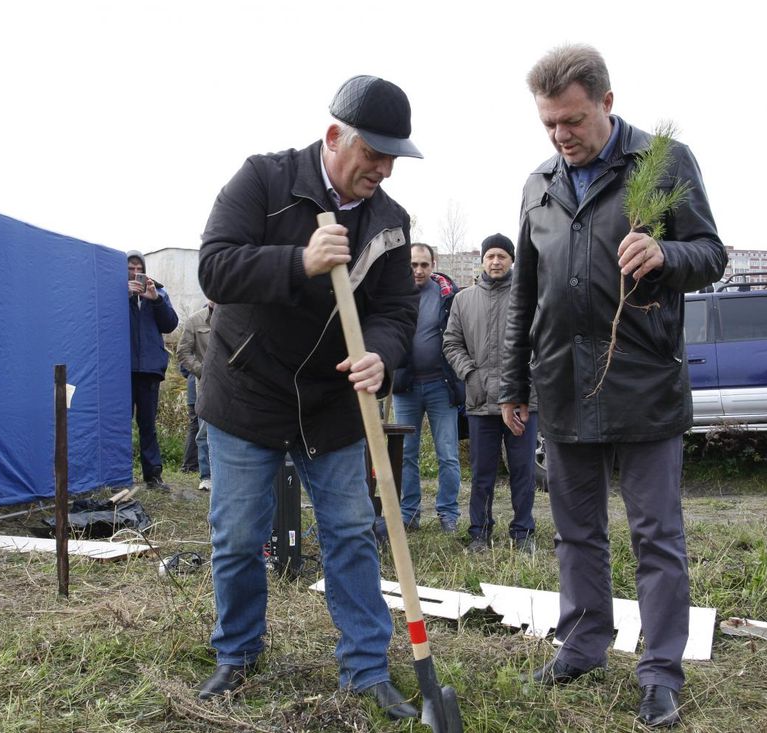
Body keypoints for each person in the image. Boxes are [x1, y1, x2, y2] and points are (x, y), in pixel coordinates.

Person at [498, 44, 727, 728]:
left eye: (572, 120)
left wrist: (665, 253)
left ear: (606, 102)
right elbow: (525, 295)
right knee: (576, 532)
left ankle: (660, 672)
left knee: (655, 535)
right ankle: (582, 644)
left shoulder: (660, 164)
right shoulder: (538, 183)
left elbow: (712, 254)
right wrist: (514, 379)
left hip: (643, 381)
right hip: (562, 383)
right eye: (549, 124)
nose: (561, 136)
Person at [194, 74, 422, 720]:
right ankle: (236, 654)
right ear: (333, 137)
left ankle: (366, 667)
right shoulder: (264, 182)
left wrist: (381, 350)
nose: (381, 169)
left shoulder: (390, 222)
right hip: (248, 390)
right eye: (372, 154)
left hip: (332, 400)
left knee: (351, 530)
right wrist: (297, 260)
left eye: (391, 158)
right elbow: (215, 265)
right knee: (238, 534)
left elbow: (399, 311)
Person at [443, 233, 538, 553]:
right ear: (482, 260)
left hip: (523, 401)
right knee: (482, 473)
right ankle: (479, 532)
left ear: (512, 260)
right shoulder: (463, 300)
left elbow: (543, 343)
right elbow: (451, 343)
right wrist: (470, 374)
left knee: (523, 471)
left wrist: (528, 379)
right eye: (490, 256)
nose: (495, 261)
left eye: (502, 256)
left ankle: (523, 532)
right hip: (480, 401)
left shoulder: (530, 296)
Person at [391, 242, 464, 533]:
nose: (418, 270)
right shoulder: (393, 295)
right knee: (406, 453)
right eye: (412, 265)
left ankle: (448, 514)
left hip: (440, 385)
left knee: (447, 453)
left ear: (433, 265)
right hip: (405, 386)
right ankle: (409, 514)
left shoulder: (449, 296)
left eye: (423, 264)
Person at [127, 250, 179, 491]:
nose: (136, 273)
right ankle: (120, 474)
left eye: (139, 269)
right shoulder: (116, 293)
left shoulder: (158, 292)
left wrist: (155, 299)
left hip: (149, 369)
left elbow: (170, 324)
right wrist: (126, 296)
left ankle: (153, 476)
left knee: (147, 423)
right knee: (120, 424)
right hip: (122, 369)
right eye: (131, 269)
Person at [176, 301, 214, 491]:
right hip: (206, 384)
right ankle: (206, 475)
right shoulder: (195, 320)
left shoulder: (237, 315)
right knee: (203, 430)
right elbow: (182, 352)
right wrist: (201, 370)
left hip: (235, 384)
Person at [179, 367, 200, 474]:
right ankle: (190, 465)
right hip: (197, 388)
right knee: (196, 427)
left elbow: (184, 369)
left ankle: (190, 464)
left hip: (194, 386)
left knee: (195, 427)